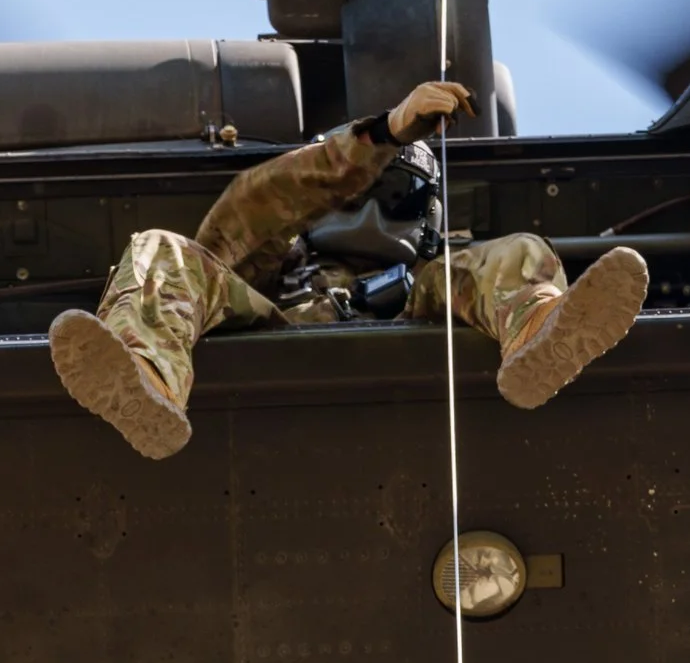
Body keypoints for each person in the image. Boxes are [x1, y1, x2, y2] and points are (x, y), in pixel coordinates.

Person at [46, 80, 650, 460]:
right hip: (280, 335)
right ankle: (147, 378)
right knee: (161, 249)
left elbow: (485, 269)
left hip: (410, 329)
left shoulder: (447, 277)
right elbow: (257, 200)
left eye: (394, 196)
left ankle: (541, 333)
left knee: (519, 250)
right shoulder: (268, 266)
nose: (369, 212)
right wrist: (385, 134)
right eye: (352, 193)